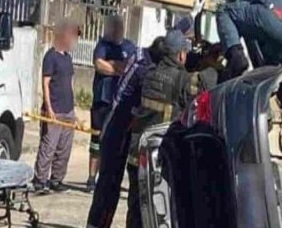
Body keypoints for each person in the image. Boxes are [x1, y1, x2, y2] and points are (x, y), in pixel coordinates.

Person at [86, 17, 193, 228]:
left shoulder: (150, 62)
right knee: (109, 184)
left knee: (132, 193)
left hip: (131, 128)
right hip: (118, 123)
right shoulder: (146, 64)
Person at [125, 29, 219, 228]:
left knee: (136, 209)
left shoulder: (149, 73)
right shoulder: (180, 81)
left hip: (137, 155)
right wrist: (213, 63)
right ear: (182, 55)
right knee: (162, 211)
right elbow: (206, 82)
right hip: (160, 159)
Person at [88, 15, 136, 192]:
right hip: (102, 100)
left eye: (118, 27)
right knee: (96, 141)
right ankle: (91, 178)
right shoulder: (103, 45)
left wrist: (113, 67)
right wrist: (118, 69)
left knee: (116, 143)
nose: (115, 30)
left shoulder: (129, 47)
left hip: (120, 103)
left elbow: (130, 68)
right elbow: (99, 65)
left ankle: (108, 178)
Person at [33, 18, 80, 194]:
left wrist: (74, 109)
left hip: (68, 110)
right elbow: (45, 83)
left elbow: (71, 83)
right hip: (54, 110)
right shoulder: (50, 57)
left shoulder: (68, 59)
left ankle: (57, 179)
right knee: (48, 146)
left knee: (64, 148)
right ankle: (40, 180)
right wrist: (49, 108)